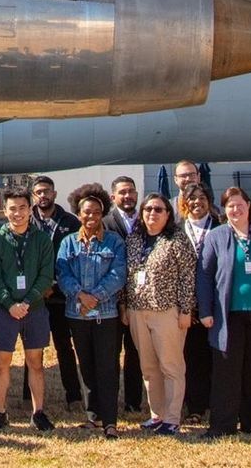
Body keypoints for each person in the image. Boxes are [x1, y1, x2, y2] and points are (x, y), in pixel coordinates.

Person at [196, 186, 251, 438]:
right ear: (224, 211)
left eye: (240, 204)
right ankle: (222, 425)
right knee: (227, 371)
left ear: (249, 206)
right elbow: (204, 275)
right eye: (230, 206)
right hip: (228, 315)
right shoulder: (216, 236)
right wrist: (205, 310)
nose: (236, 209)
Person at [57, 184, 128, 439]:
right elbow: (62, 274)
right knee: (86, 366)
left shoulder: (114, 241)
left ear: (102, 213)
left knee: (107, 367)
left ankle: (110, 421)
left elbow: (119, 274)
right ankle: (92, 416)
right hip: (77, 314)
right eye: (86, 212)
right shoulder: (68, 243)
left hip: (105, 314)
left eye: (96, 212)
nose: (91, 216)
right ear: (78, 214)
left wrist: (95, 296)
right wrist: (80, 295)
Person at [124, 191, 196, 436]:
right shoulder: (134, 239)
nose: (152, 214)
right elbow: (128, 275)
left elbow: (188, 277)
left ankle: (173, 418)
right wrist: (125, 306)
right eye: (148, 209)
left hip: (166, 311)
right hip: (137, 310)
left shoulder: (177, 240)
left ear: (168, 214)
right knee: (148, 366)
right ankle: (157, 415)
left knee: (171, 366)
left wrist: (186, 310)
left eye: (158, 209)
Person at [0, 186, 56, 433]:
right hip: (6, 310)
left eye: (23, 208)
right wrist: (10, 303)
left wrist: (27, 302)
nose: (18, 213)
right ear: (4, 210)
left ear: (30, 209)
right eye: (12, 209)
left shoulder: (41, 239)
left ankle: (38, 413)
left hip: (34, 309)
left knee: (35, 362)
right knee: (1, 363)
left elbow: (46, 275)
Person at [27, 174, 83, 411]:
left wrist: (55, 285)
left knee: (64, 346)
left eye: (47, 191)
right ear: (33, 195)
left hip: (60, 295)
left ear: (54, 194)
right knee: (31, 347)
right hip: (33, 295)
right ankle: (27, 397)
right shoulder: (25, 219)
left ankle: (73, 396)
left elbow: (76, 259)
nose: (43, 195)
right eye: (38, 192)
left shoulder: (71, 222)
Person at [106, 174, 146, 413]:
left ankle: (133, 401)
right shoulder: (105, 223)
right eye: (122, 192)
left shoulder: (146, 220)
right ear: (113, 197)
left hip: (139, 299)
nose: (128, 196)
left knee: (135, 353)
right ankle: (109, 401)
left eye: (131, 191)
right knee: (110, 354)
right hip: (111, 299)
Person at [178, 182, 216, 426]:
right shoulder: (177, 231)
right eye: (192, 198)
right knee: (191, 357)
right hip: (186, 306)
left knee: (216, 355)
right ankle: (195, 406)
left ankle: (217, 401)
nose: (197, 202)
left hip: (215, 302)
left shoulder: (221, 228)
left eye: (202, 197)